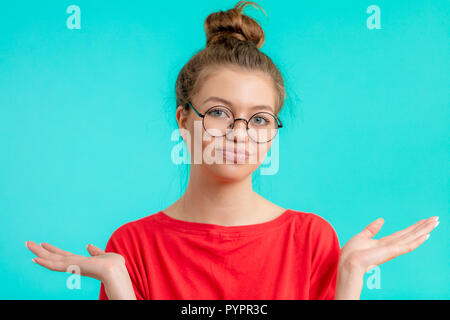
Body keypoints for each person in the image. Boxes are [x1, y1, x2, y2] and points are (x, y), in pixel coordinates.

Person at [25, 0, 439, 300]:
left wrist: (349, 276)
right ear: (184, 120)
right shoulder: (133, 246)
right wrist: (119, 284)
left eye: (259, 119)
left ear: (273, 133)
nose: (239, 133)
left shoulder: (311, 239)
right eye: (220, 112)